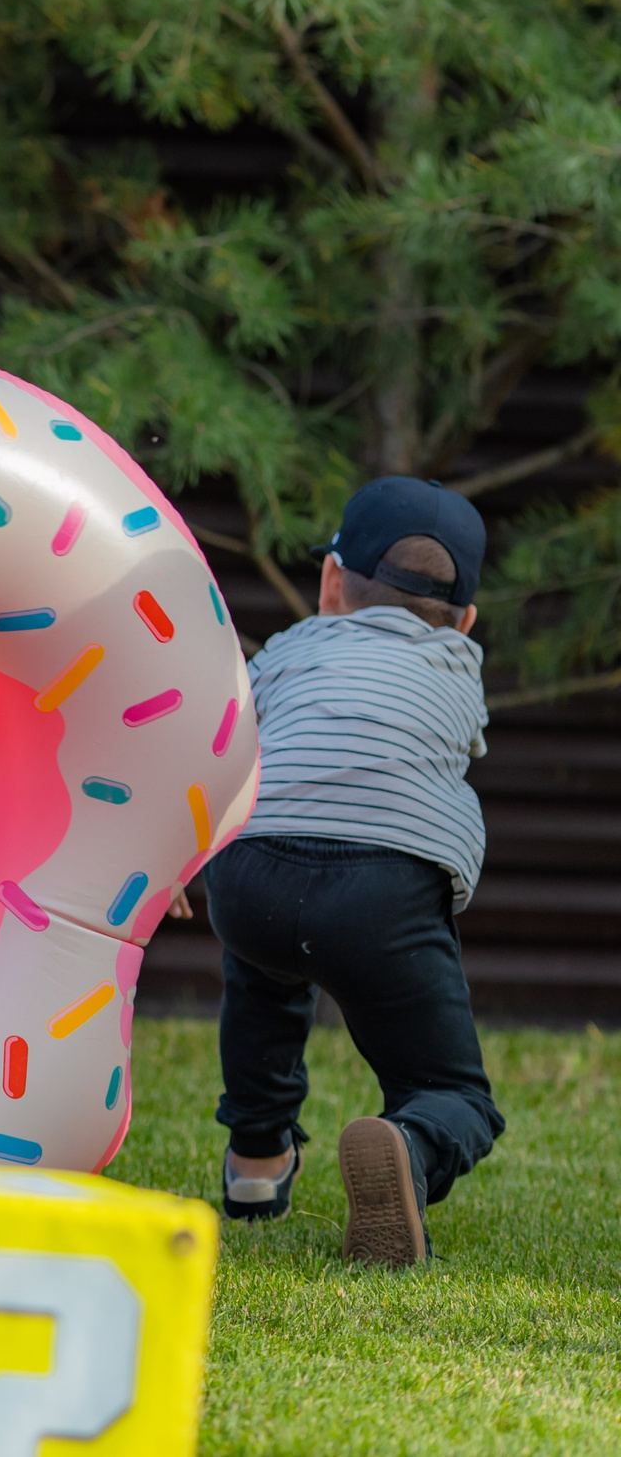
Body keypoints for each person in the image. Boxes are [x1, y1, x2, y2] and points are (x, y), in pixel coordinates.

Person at [208, 476, 502, 1266]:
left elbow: (224, 743)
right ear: (466, 620)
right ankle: (412, 1140)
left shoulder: (288, 649)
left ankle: (256, 1161)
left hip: (250, 875)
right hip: (383, 890)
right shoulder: (457, 666)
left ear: (331, 581)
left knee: (263, 971)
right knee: (455, 1090)